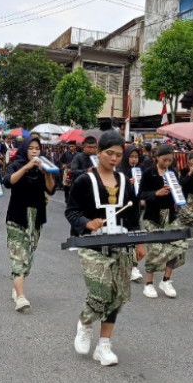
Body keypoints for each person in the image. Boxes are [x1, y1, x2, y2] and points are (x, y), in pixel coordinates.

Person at [65, 131, 145, 366]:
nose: (114, 158)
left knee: (117, 296)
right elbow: (71, 211)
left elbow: (132, 217)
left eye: (119, 155)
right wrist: (86, 223)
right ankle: (85, 322)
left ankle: (104, 345)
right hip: (92, 245)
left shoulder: (124, 182)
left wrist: (138, 242)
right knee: (101, 291)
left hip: (119, 246)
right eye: (109, 153)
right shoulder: (84, 181)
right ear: (99, 153)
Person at [3, 136, 56, 312]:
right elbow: (8, 182)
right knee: (19, 257)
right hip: (17, 217)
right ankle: (20, 297)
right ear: (24, 149)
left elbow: (51, 189)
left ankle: (17, 287)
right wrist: (26, 167)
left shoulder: (41, 169)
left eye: (37, 148)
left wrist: (47, 171)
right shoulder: (16, 165)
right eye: (31, 148)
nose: (34, 151)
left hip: (36, 218)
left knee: (29, 258)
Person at [138, 144, 188, 298]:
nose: (167, 163)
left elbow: (179, 193)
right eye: (164, 160)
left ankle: (166, 280)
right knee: (155, 249)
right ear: (157, 157)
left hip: (170, 215)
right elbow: (140, 194)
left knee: (178, 246)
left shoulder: (172, 173)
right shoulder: (148, 173)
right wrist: (156, 193)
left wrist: (178, 191)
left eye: (170, 160)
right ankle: (149, 284)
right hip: (152, 216)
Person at [117, 144, 144, 282]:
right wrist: (128, 184)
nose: (134, 160)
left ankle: (133, 267)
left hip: (135, 210)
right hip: (122, 211)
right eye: (131, 157)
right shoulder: (120, 172)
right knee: (125, 239)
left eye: (136, 157)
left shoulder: (139, 171)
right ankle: (128, 266)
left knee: (135, 237)